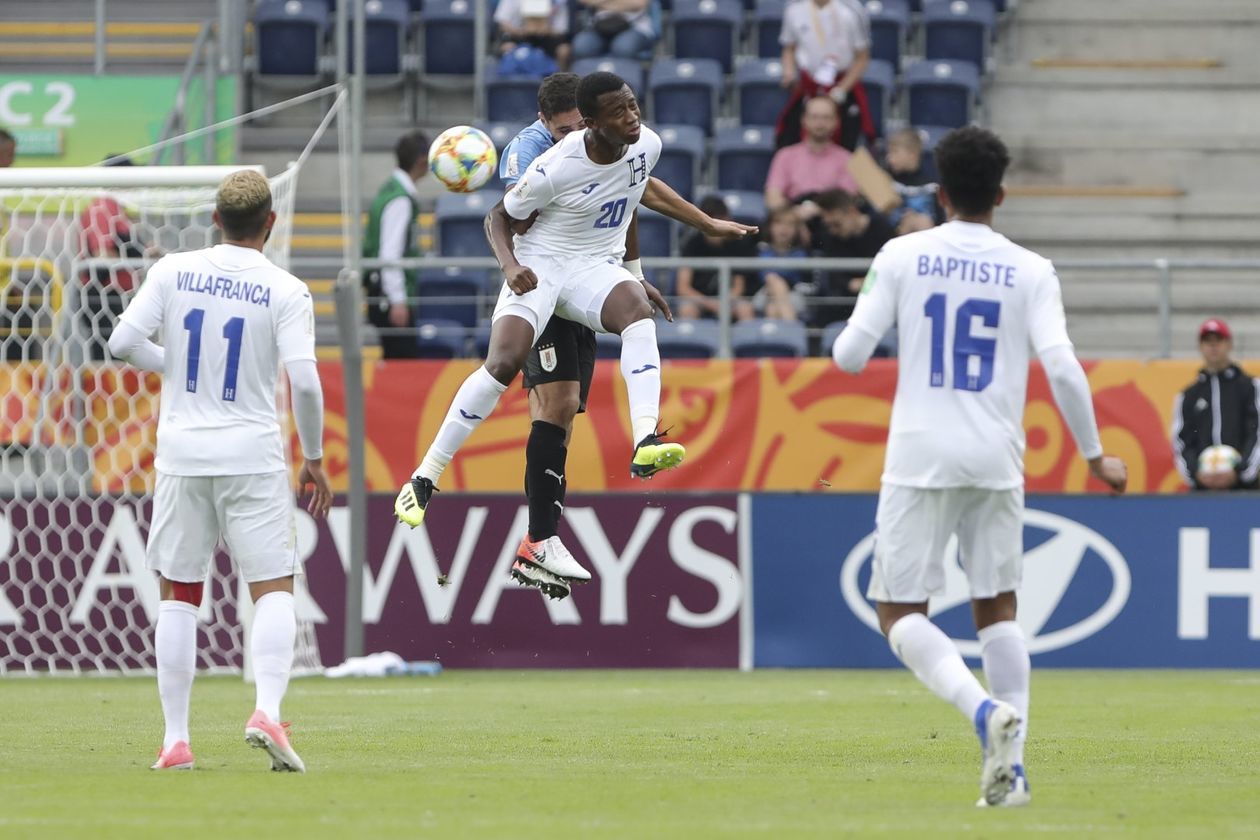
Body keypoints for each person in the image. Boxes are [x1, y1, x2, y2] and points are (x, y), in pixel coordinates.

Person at [831, 126, 1128, 806]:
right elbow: (1062, 368)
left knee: (899, 610)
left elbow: (849, 356)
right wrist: (1094, 455)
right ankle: (1012, 770)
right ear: (1001, 195)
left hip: (920, 452)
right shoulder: (1031, 269)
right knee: (998, 609)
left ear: (939, 193)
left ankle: (982, 711)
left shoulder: (902, 253)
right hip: (998, 455)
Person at [396, 71, 754, 590]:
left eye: (634, 106)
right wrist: (509, 266)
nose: (634, 116)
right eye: (621, 110)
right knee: (507, 366)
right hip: (540, 266)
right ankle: (427, 478)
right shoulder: (541, 161)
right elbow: (502, 215)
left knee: (625, 326)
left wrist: (644, 268)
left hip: (590, 266)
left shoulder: (642, 145)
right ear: (578, 123)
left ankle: (645, 440)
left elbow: (631, 192)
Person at [108, 170, 333, 773]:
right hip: (252, 456)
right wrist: (312, 456)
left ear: (215, 219)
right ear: (271, 222)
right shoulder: (285, 288)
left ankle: (176, 741)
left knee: (179, 595)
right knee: (273, 588)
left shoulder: (173, 269)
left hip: (182, 455)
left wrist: (178, 368)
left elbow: (121, 341)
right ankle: (265, 710)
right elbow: (305, 383)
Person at [498, 73, 751, 599]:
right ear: (547, 123)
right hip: (543, 283)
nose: (574, 135)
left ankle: (538, 543)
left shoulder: (608, 144)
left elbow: (630, 192)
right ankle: (538, 541)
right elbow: (518, 222)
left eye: (578, 127)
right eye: (565, 128)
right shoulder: (529, 155)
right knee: (552, 405)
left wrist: (638, 270)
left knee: (565, 411)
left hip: (589, 278)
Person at [363, 130, 429, 359]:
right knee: (402, 363)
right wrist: (398, 300)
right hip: (390, 296)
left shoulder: (389, 189)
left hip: (383, 292)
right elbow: (390, 253)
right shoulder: (400, 199)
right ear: (422, 160)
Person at [1172, 317, 1260, 490]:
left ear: (1229, 344)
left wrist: (1241, 471)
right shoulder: (1188, 395)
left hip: (1245, 489)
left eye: (1218, 340)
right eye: (1207, 341)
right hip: (1203, 491)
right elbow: (1181, 441)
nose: (1213, 346)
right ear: (1200, 346)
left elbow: (1257, 432)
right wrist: (1196, 474)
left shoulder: (1250, 387)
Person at [776, 0, 873, 152]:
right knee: (787, 137)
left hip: (842, 84)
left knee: (851, 143)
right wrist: (789, 72)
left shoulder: (852, 9)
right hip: (808, 86)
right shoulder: (794, 8)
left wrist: (840, 90)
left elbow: (862, 57)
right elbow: (789, 47)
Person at [764, 96, 860, 220]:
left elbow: (847, 199)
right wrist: (795, 214)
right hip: (793, 220)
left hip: (831, 222)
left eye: (826, 118)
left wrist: (819, 212)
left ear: (836, 121)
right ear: (804, 120)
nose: (820, 123)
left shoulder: (848, 159)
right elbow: (773, 197)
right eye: (814, 117)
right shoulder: (785, 156)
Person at [812, 188, 895, 324]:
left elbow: (892, 269)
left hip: (881, 300)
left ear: (852, 212)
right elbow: (835, 278)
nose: (832, 230)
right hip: (847, 303)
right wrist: (852, 284)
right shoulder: (831, 237)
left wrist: (865, 283)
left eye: (836, 224)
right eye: (828, 225)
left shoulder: (882, 228)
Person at [675, 195, 760, 322]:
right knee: (687, 310)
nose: (715, 226)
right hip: (700, 299)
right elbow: (683, 287)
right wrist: (711, 304)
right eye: (710, 220)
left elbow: (738, 288)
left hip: (730, 299)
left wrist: (723, 303)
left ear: (728, 219)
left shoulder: (740, 244)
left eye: (720, 219)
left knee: (745, 309)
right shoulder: (692, 244)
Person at [882, 127, 943, 234]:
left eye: (895, 152)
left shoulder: (931, 186)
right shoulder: (885, 178)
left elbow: (940, 220)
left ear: (912, 155)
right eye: (889, 152)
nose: (889, 157)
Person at [754, 206, 810, 321]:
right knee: (773, 280)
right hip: (764, 294)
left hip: (793, 295)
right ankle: (791, 330)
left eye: (790, 224)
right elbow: (764, 274)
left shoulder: (800, 253)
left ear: (797, 230)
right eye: (778, 223)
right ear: (770, 226)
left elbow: (790, 273)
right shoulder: (762, 250)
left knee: (772, 308)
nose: (784, 228)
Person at [495, 0, 572, 72]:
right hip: (518, 36)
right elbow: (502, 23)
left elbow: (562, 29)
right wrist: (521, 31)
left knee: (563, 50)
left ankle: (559, 82)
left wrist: (547, 29)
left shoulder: (558, 2)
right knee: (507, 48)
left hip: (547, 38)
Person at [571, 0, 657, 59]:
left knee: (623, 48)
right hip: (599, 27)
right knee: (582, 47)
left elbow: (638, 3)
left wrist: (602, 3)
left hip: (635, 27)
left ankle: (625, 84)